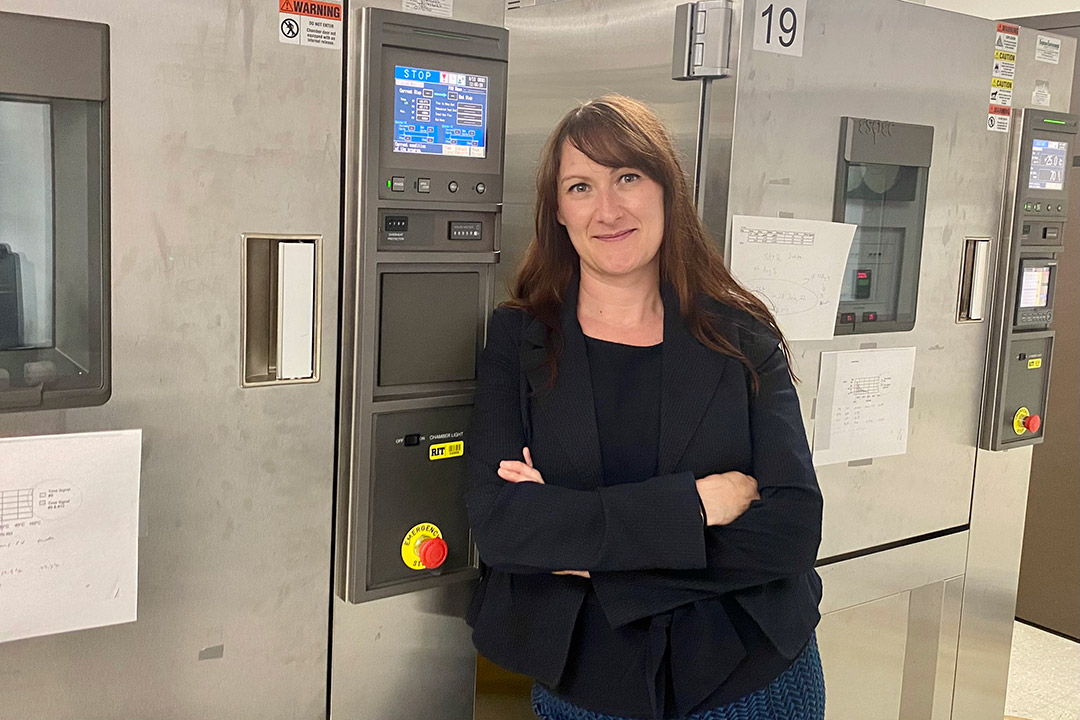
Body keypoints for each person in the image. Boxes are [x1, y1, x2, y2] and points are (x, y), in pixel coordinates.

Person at [465, 95, 824, 720]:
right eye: (581, 186)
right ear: (559, 210)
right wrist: (695, 507)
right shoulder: (518, 339)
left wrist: (590, 556)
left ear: (666, 189)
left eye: (627, 177)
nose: (608, 209)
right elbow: (504, 527)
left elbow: (791, 530)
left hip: (749, 671)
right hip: (586, 677)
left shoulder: (740, 334)